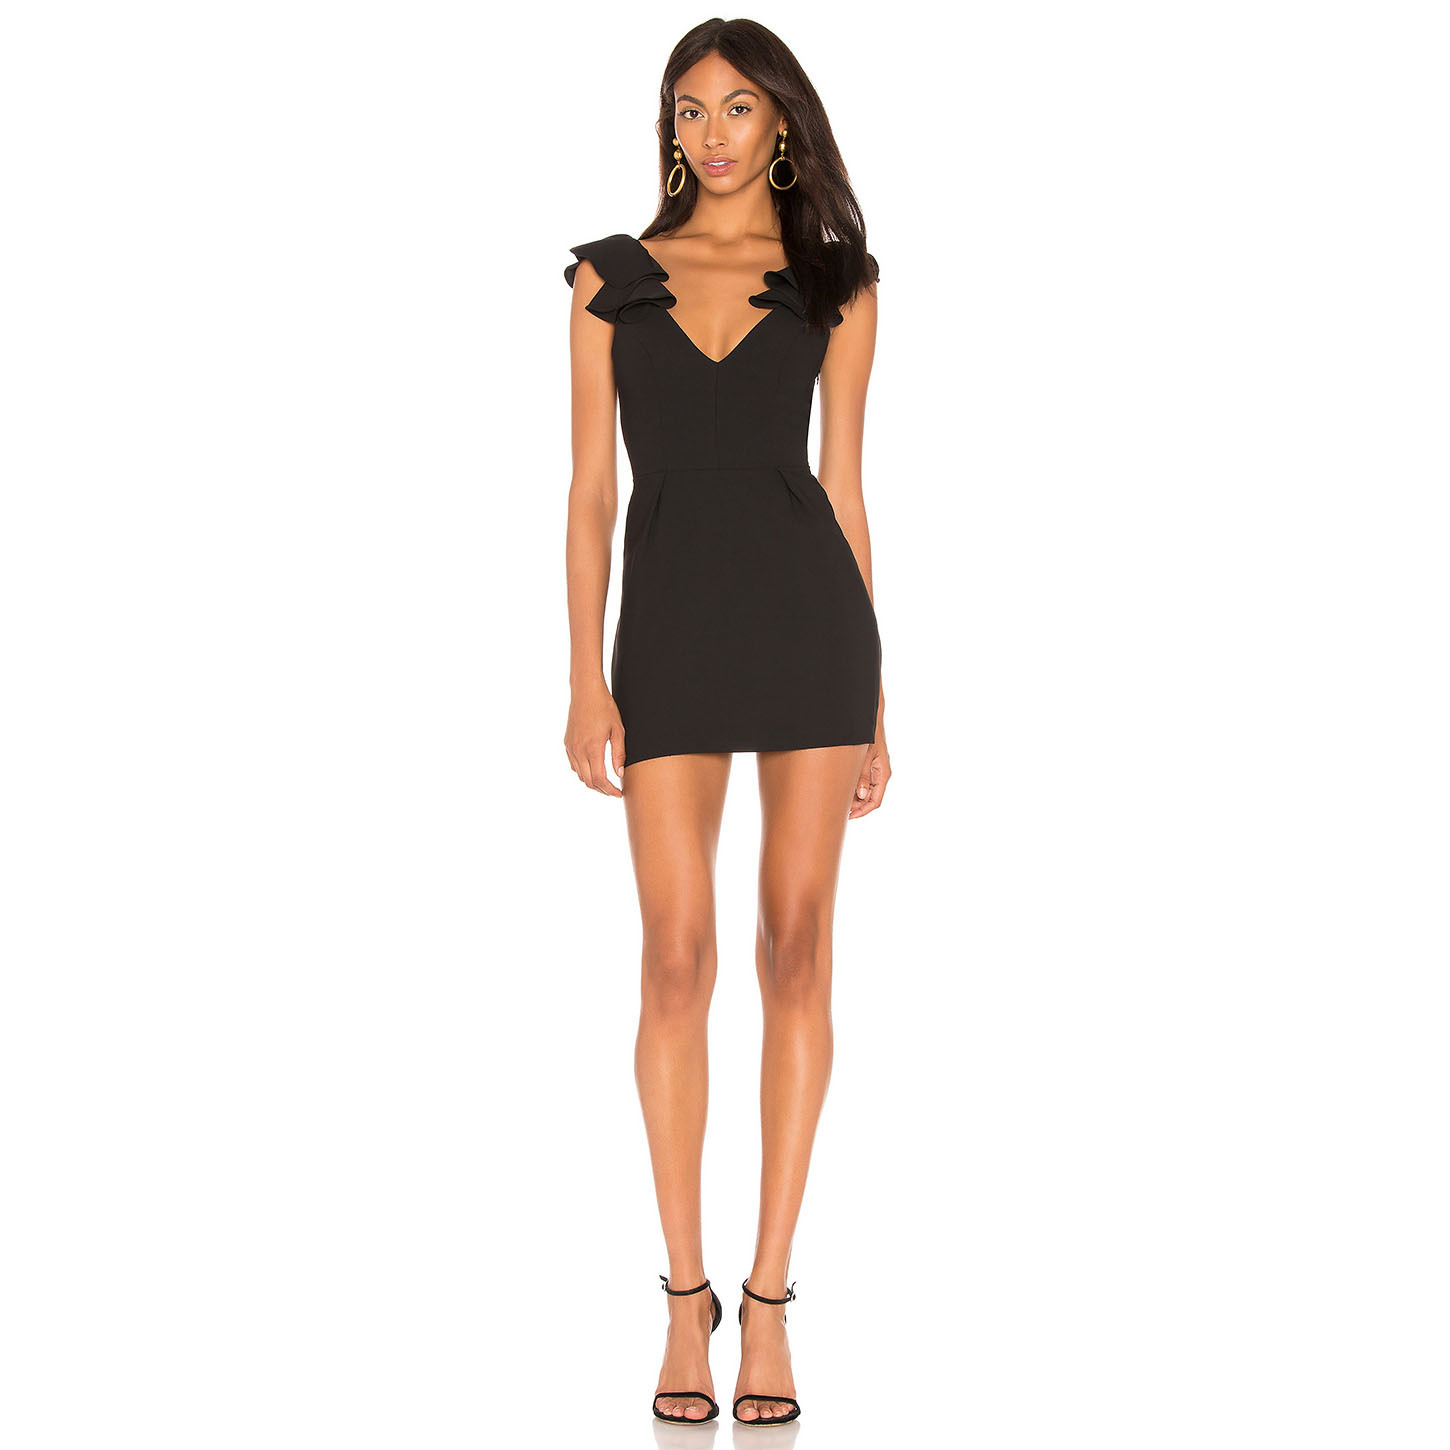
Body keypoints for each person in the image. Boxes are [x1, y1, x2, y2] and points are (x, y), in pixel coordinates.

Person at [562, 18, 891, 1427]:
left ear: (782, 126)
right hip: (669, 634)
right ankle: (680, 1297)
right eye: (689, 109)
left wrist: (877, 690)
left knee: (796, 947)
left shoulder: (835, 281)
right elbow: (590, 493)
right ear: (669, 128)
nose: (711, 132)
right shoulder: (608, 279)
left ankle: (767, 1302)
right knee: (676, 959)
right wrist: (584, 676)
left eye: (738, 108)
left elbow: (847, 490)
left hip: (810, 627)